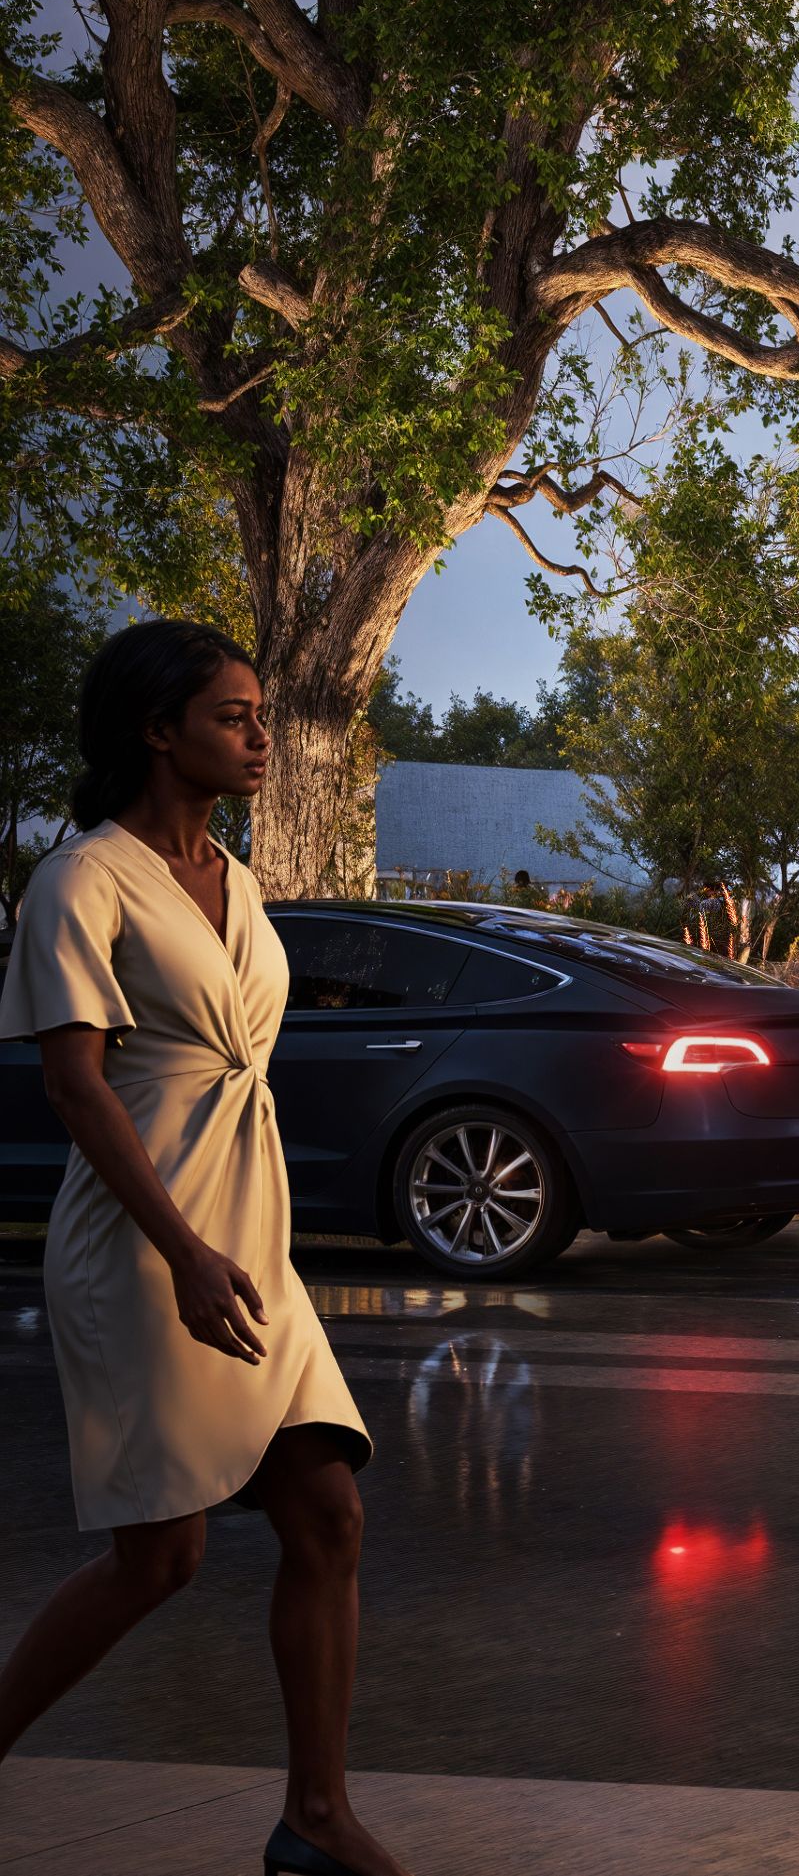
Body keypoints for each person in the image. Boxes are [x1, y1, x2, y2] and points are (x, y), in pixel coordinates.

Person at [0, 622, 411, 1876]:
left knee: (328, 1512)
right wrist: (181, 1247)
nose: (260, 735)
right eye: (232, 714)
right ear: (154, 727)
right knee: (162, 1555)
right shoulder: (81, 880)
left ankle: (316, 1817)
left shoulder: (237, 877)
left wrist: (232, 1244)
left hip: (253, 1237)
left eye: (260, 712)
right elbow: (78, 1089)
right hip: (144, 1244)